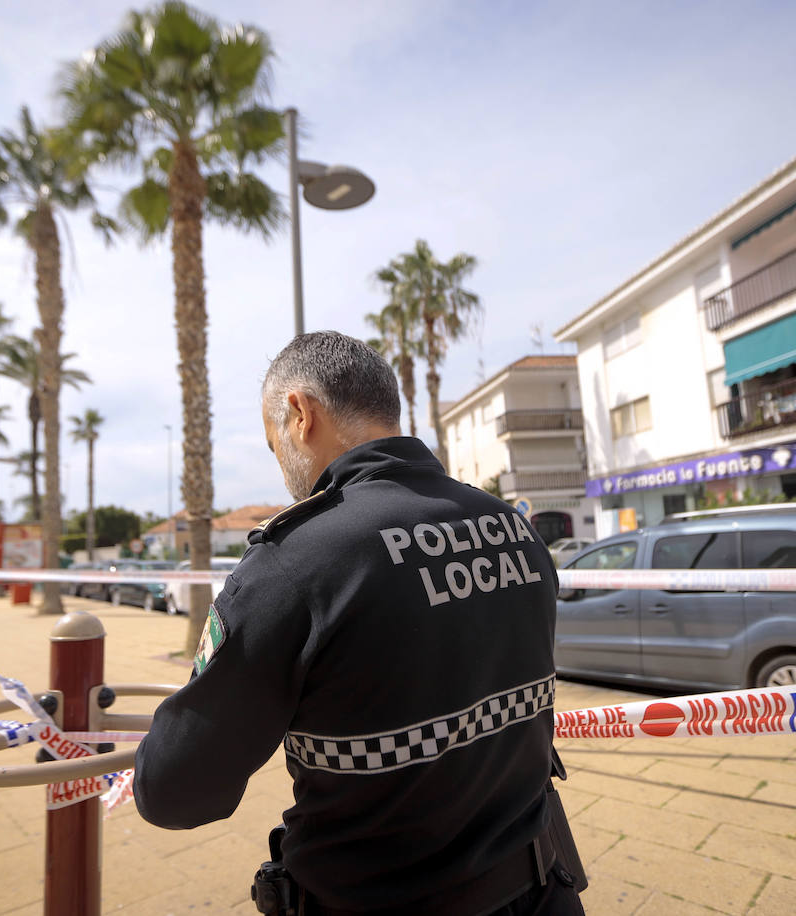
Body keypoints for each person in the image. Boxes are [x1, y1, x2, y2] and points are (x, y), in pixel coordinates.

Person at [135, 331, 585, 914]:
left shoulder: (295, 562)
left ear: (300, 413)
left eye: (275, 447)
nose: (283, 469)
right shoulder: (513, 527)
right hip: (542, 891)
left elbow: (175, 792)